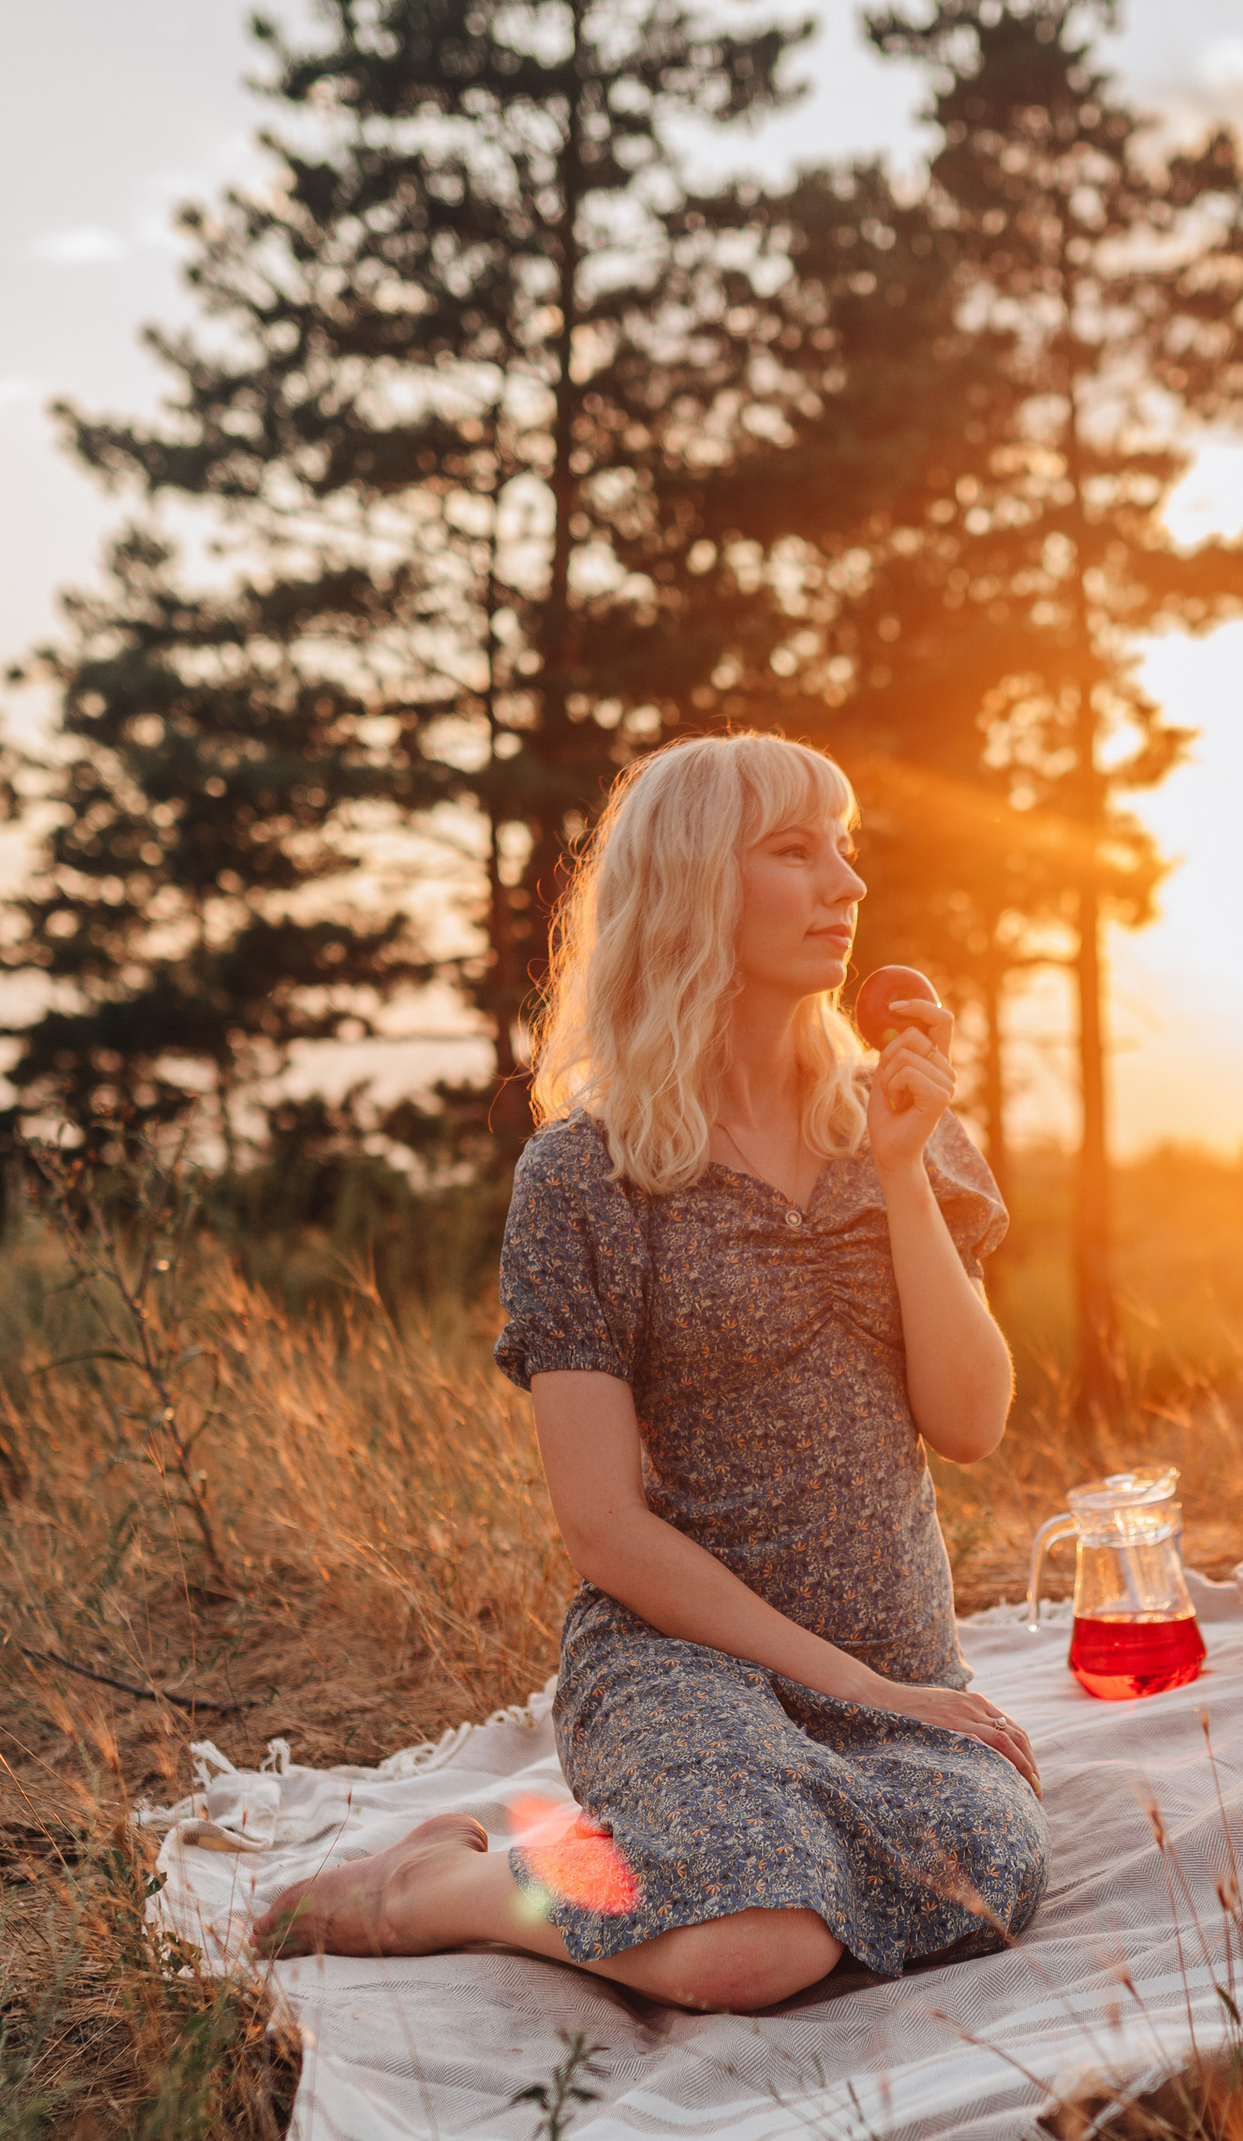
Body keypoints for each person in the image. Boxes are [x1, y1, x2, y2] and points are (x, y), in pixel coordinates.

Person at [256, 732, 1049, 2010]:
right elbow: (601, 1527)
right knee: (752, 1946)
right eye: (795, 852)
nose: (846, 884)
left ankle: (658, 1857)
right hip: (685, 1662)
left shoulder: (900, 1122)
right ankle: (439, 1891)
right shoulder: (585, 1177)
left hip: (905, 1676)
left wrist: (903, 1172)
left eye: (843, 848)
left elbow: (971, 1422)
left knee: (972, 1885)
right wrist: (849, 1684)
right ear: (694, 886)